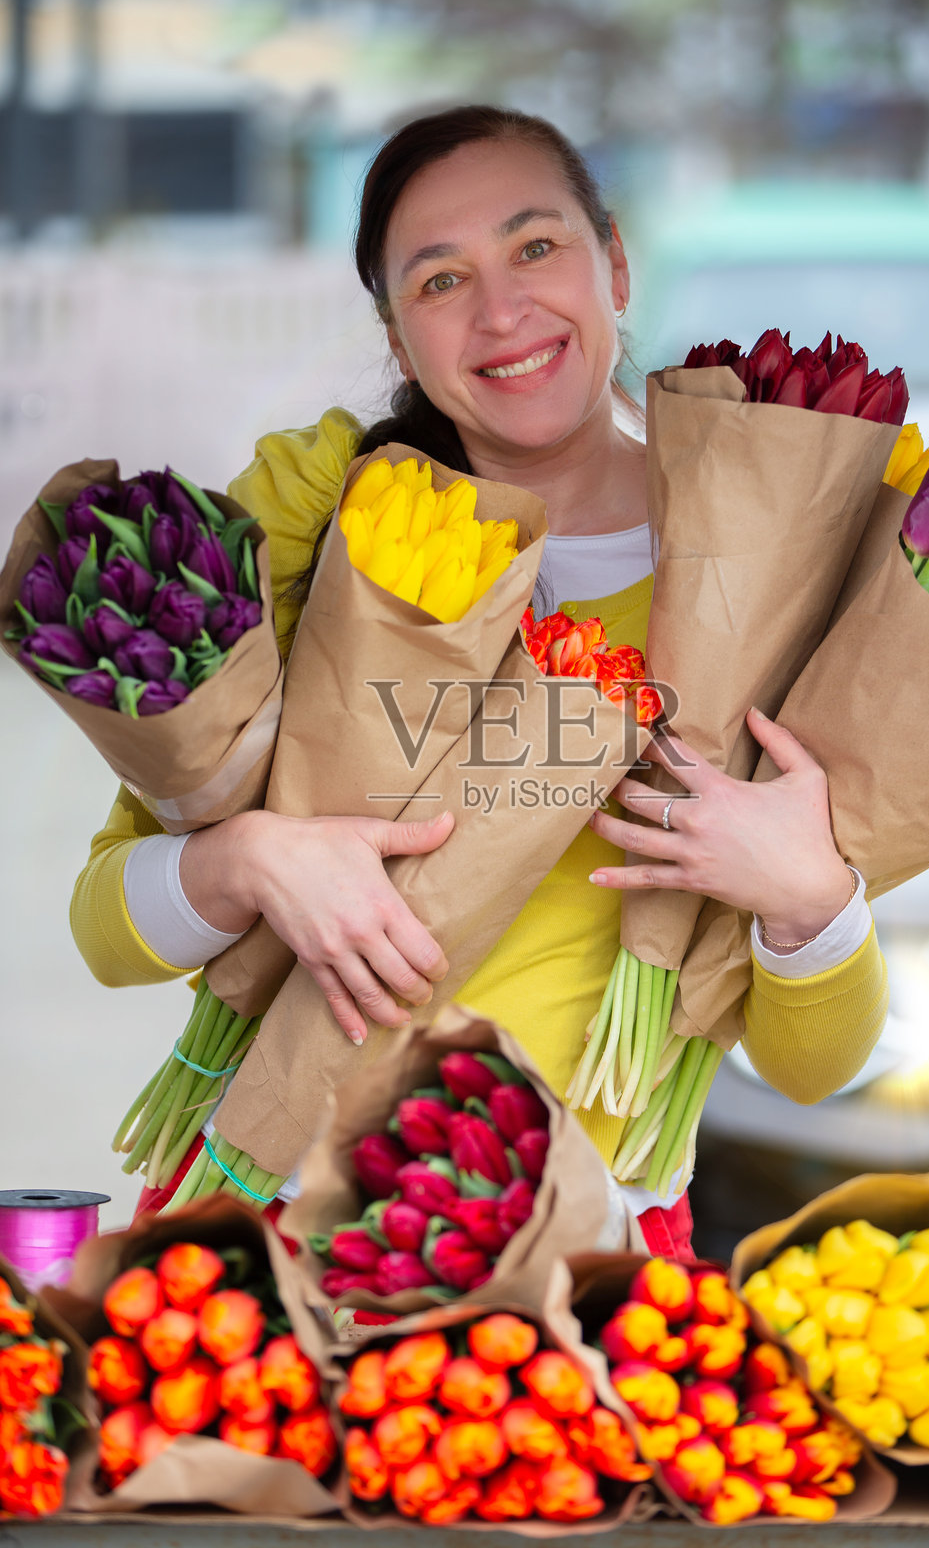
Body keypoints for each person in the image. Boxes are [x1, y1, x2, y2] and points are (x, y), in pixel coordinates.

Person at [71, 105, 888, 1260]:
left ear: (612, 262)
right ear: (399, 339)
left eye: (536, 247)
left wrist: (810, 898)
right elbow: (103, 927)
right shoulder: (325, 545)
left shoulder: (780, 577)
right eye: (441, 279)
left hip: (576, 1280)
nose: (502, 311)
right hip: (261, 1236)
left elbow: (817, 1066)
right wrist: (248, 860)